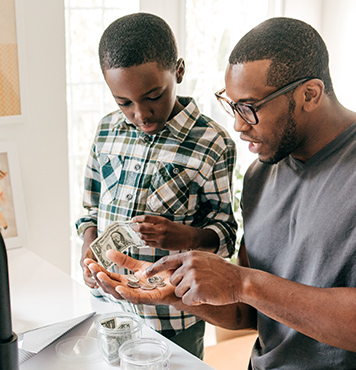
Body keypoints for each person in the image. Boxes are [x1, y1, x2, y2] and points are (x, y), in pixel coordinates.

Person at [85, 17, 356, 369]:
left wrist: (241, 281)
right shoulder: (259, 175)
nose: (237, 125)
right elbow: (249, 312)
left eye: (249, 108)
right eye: (231, 106)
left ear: (310, 94)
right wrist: (177, 292)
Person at [75, 13, 237, 359]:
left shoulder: (212, 143)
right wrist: (89, 248)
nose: (141, 114)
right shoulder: (106, 131)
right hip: (109, 306)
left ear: (178, 71)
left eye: (153, 96)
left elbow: (225, 233)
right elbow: (89, 209)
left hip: (174, 316)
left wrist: (186, 237)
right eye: (124, 103)